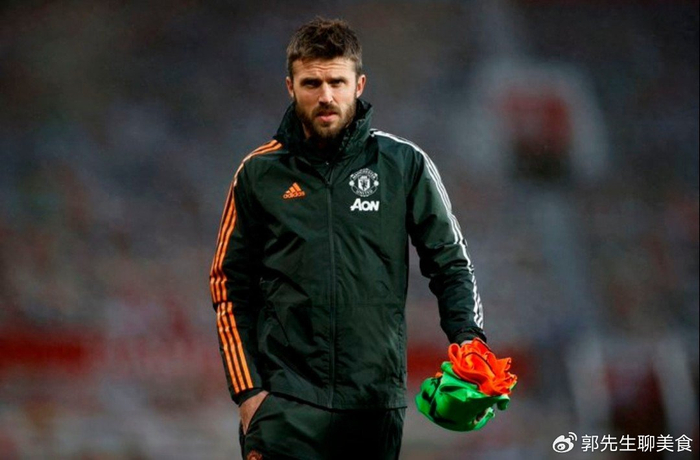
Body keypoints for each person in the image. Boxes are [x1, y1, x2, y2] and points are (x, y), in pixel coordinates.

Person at [209, 17, 486, 459]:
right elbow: (228, 285)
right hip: (285, 406)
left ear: (359, 84)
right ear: (290, 87)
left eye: (337, 82)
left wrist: (469, 340)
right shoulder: (258, 173)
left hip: (373, 408)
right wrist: (249, 394)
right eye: (311, 83)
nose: (326, 96)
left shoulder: (404, 165)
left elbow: (450, 264)